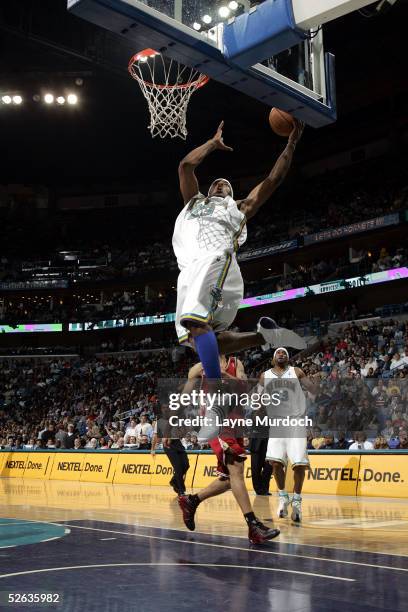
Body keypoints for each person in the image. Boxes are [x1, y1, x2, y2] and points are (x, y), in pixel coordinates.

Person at [173, 120, 305, 389]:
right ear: (207, 191)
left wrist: (291, 142)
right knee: (200, 341)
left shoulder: (239, 209)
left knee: (196, 324)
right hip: (188, 272)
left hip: (216, 260)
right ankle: (264, 336)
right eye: (216, 185)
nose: (220, 186)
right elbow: (186, 166)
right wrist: (212, 143)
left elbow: (273, 179)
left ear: (232, 196)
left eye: (226, 186)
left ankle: (215, 388)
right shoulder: (193, 202)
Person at [177, 354, 280, 544]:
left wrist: (225, 375)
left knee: (228, 479)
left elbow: (245, 387)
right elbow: (183, 398)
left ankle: (191, 501)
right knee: (237, 471)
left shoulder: (236, 362)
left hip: (235, 421)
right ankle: (253, 526)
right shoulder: (199, 367)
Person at [261, 347, 317, 523]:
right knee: (275, 464)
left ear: (288, 357)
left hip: (295, 421)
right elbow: (259, 398)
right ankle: (283, 497)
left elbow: (313, 390)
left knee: (299, 464)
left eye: (284, 352)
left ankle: (297, 502)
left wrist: (313, 383)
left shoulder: (296, 371)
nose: (281, 354)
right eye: (278, 352)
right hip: (276, 422)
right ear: (273, 358)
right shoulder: (265, 376)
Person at [151, 412, 190, 496]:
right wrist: (153, 449)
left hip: (178, 443)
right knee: (178, 468)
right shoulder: (160, 422)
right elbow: (155, 436)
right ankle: (181, 491)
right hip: (168, 446)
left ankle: (173, 481)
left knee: (186, 465)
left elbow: (182, 432)